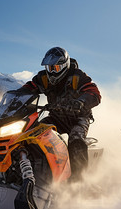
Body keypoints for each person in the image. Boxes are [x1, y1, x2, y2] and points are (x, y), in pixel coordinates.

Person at [15, 47, 101, 181]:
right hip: (56, 117)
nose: (52, 72)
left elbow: (94, 93)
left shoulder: (77, 77)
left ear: (65, 65)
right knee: (32, 133)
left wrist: (80, 102)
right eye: (49, 68)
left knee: (75, 140)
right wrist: (17, 96)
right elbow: (29, 88)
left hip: (78, 118)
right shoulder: (43, 78)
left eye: (56, 68)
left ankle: (78, 182)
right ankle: (31, 169)